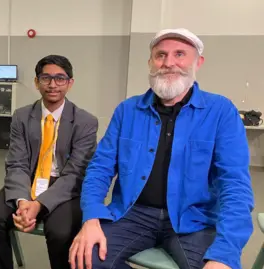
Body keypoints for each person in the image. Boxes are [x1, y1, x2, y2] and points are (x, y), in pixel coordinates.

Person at [69, 28, 254, 269]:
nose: (168, 63)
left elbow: (235, 184)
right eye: (161, 55)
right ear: (150, 62)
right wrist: (92, 217)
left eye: (179, 54)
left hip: (195, 220)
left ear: (198, 62)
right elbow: (99, 168)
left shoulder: (220, 111)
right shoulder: (128, 110)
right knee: (85, 259)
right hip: (133, 213)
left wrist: (225, 252)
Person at [0, 55, 99, 269]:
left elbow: (75, 174)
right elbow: (17, 163)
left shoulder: (85, 122)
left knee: (60, 231)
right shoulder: (22, 116)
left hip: (64, 186)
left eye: (60, 78)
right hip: (28, 180)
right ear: (37, 82)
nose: (53, 85)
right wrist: (22, 201)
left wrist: (39, 205)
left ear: (70, 83)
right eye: (46, 78)